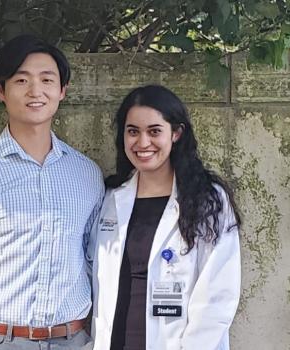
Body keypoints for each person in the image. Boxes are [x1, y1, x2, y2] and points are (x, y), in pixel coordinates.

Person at [0, 34, 104, 349]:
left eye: (47, 79)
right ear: (1, 91)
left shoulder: (87, 175)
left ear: (62, 90)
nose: (35, 91)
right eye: (21, 80)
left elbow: (96, 262)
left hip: (74, 339)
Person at [90, 85, 242, 350]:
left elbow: (218, 295)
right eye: (133, 131)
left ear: (176, 134)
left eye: (154, 131)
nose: (143, 142)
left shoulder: (207, 200)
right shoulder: (112, 198)